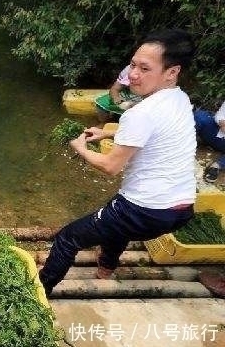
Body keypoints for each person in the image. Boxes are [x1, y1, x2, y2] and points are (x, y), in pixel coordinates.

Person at [39, 29, 197, 296]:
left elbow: (110, 166)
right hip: (182, 208)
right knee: (115, 223)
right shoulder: (179, 98)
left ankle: (40, 291)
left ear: (172, 71)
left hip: (145, 210)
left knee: (68, 237)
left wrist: (80, 148)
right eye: (133, 64)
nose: (133, 74)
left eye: (145, 68)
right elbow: (155, 132)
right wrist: (108, 132)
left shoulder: (141, 114)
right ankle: (105, 270)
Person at [194, 101, 225, 183]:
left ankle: (216, 166)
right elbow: (220, 116)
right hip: (215, 132)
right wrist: (223, 123)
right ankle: (183, 143)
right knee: (200, 116)